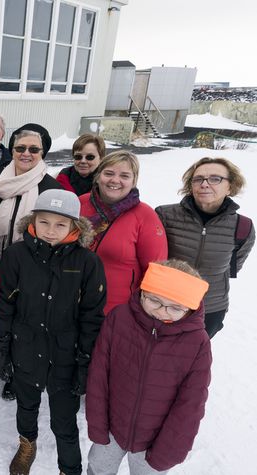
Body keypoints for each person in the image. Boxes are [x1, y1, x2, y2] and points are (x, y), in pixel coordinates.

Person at [0, 189, 106, 475]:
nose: (51, 231)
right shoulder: (16, 255)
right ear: (33, 221)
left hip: (65, 356)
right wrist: (1, 348)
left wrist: (85, 363)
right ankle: (27, 443)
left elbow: (92, 317)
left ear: (74, 227)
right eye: (44, 222)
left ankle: (69, 468)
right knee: (27, 405)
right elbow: (5, 305)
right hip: (26, 348)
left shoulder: (87, 263)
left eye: (60, 224)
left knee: (64, 420)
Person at [86, 260, 211, 474]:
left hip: (154, 442)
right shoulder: (119, 318)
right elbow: (99, 375)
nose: (162, 312)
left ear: (189, 308)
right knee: (99, 468)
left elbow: (191, 403)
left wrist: (167, 452)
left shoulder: (197, 342)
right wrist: (98, 425)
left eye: (175, 307)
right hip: (111, 430)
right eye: (154, 300)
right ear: (143, 292)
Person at [155, 157, 254, 338]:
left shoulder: (243, 226)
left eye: (215, 179)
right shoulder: (165, 215)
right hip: (164, 303)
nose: (205, 184)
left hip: (210, 308)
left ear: (230, 187)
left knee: (190, 358)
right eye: (198, 179)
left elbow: (232, 266)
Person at [80, 150, 168, 313]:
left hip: (116, 311)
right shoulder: (81, 203)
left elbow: (155, 271)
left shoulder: (145, 216)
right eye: (109, 173)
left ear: (134, 181)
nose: (115, 180)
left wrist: (138, 311)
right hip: (73, 302)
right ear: (98, 176)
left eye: (124, 176)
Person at [0, 123, 63, 255]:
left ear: (42, 153)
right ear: (12, 151)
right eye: (20, 148)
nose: (26, 153)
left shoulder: (53, 189)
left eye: (34, 149)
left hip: (32, 259)